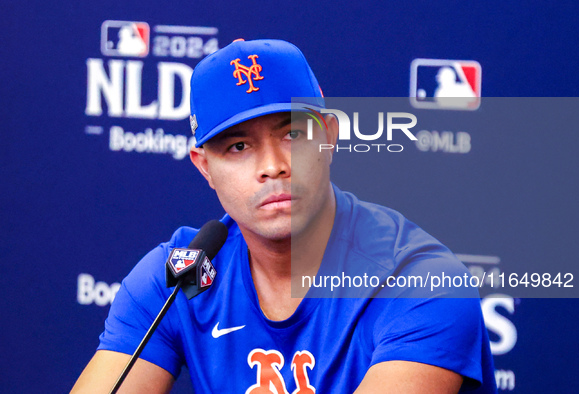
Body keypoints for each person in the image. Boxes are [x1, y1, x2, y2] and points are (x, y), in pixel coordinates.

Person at [72, 39, 496, 393]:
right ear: (204, 167)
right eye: (238, 146)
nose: (272, 166)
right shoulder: (178, 275)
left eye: (292, 134)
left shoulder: (422, 282)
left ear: (329, 138)